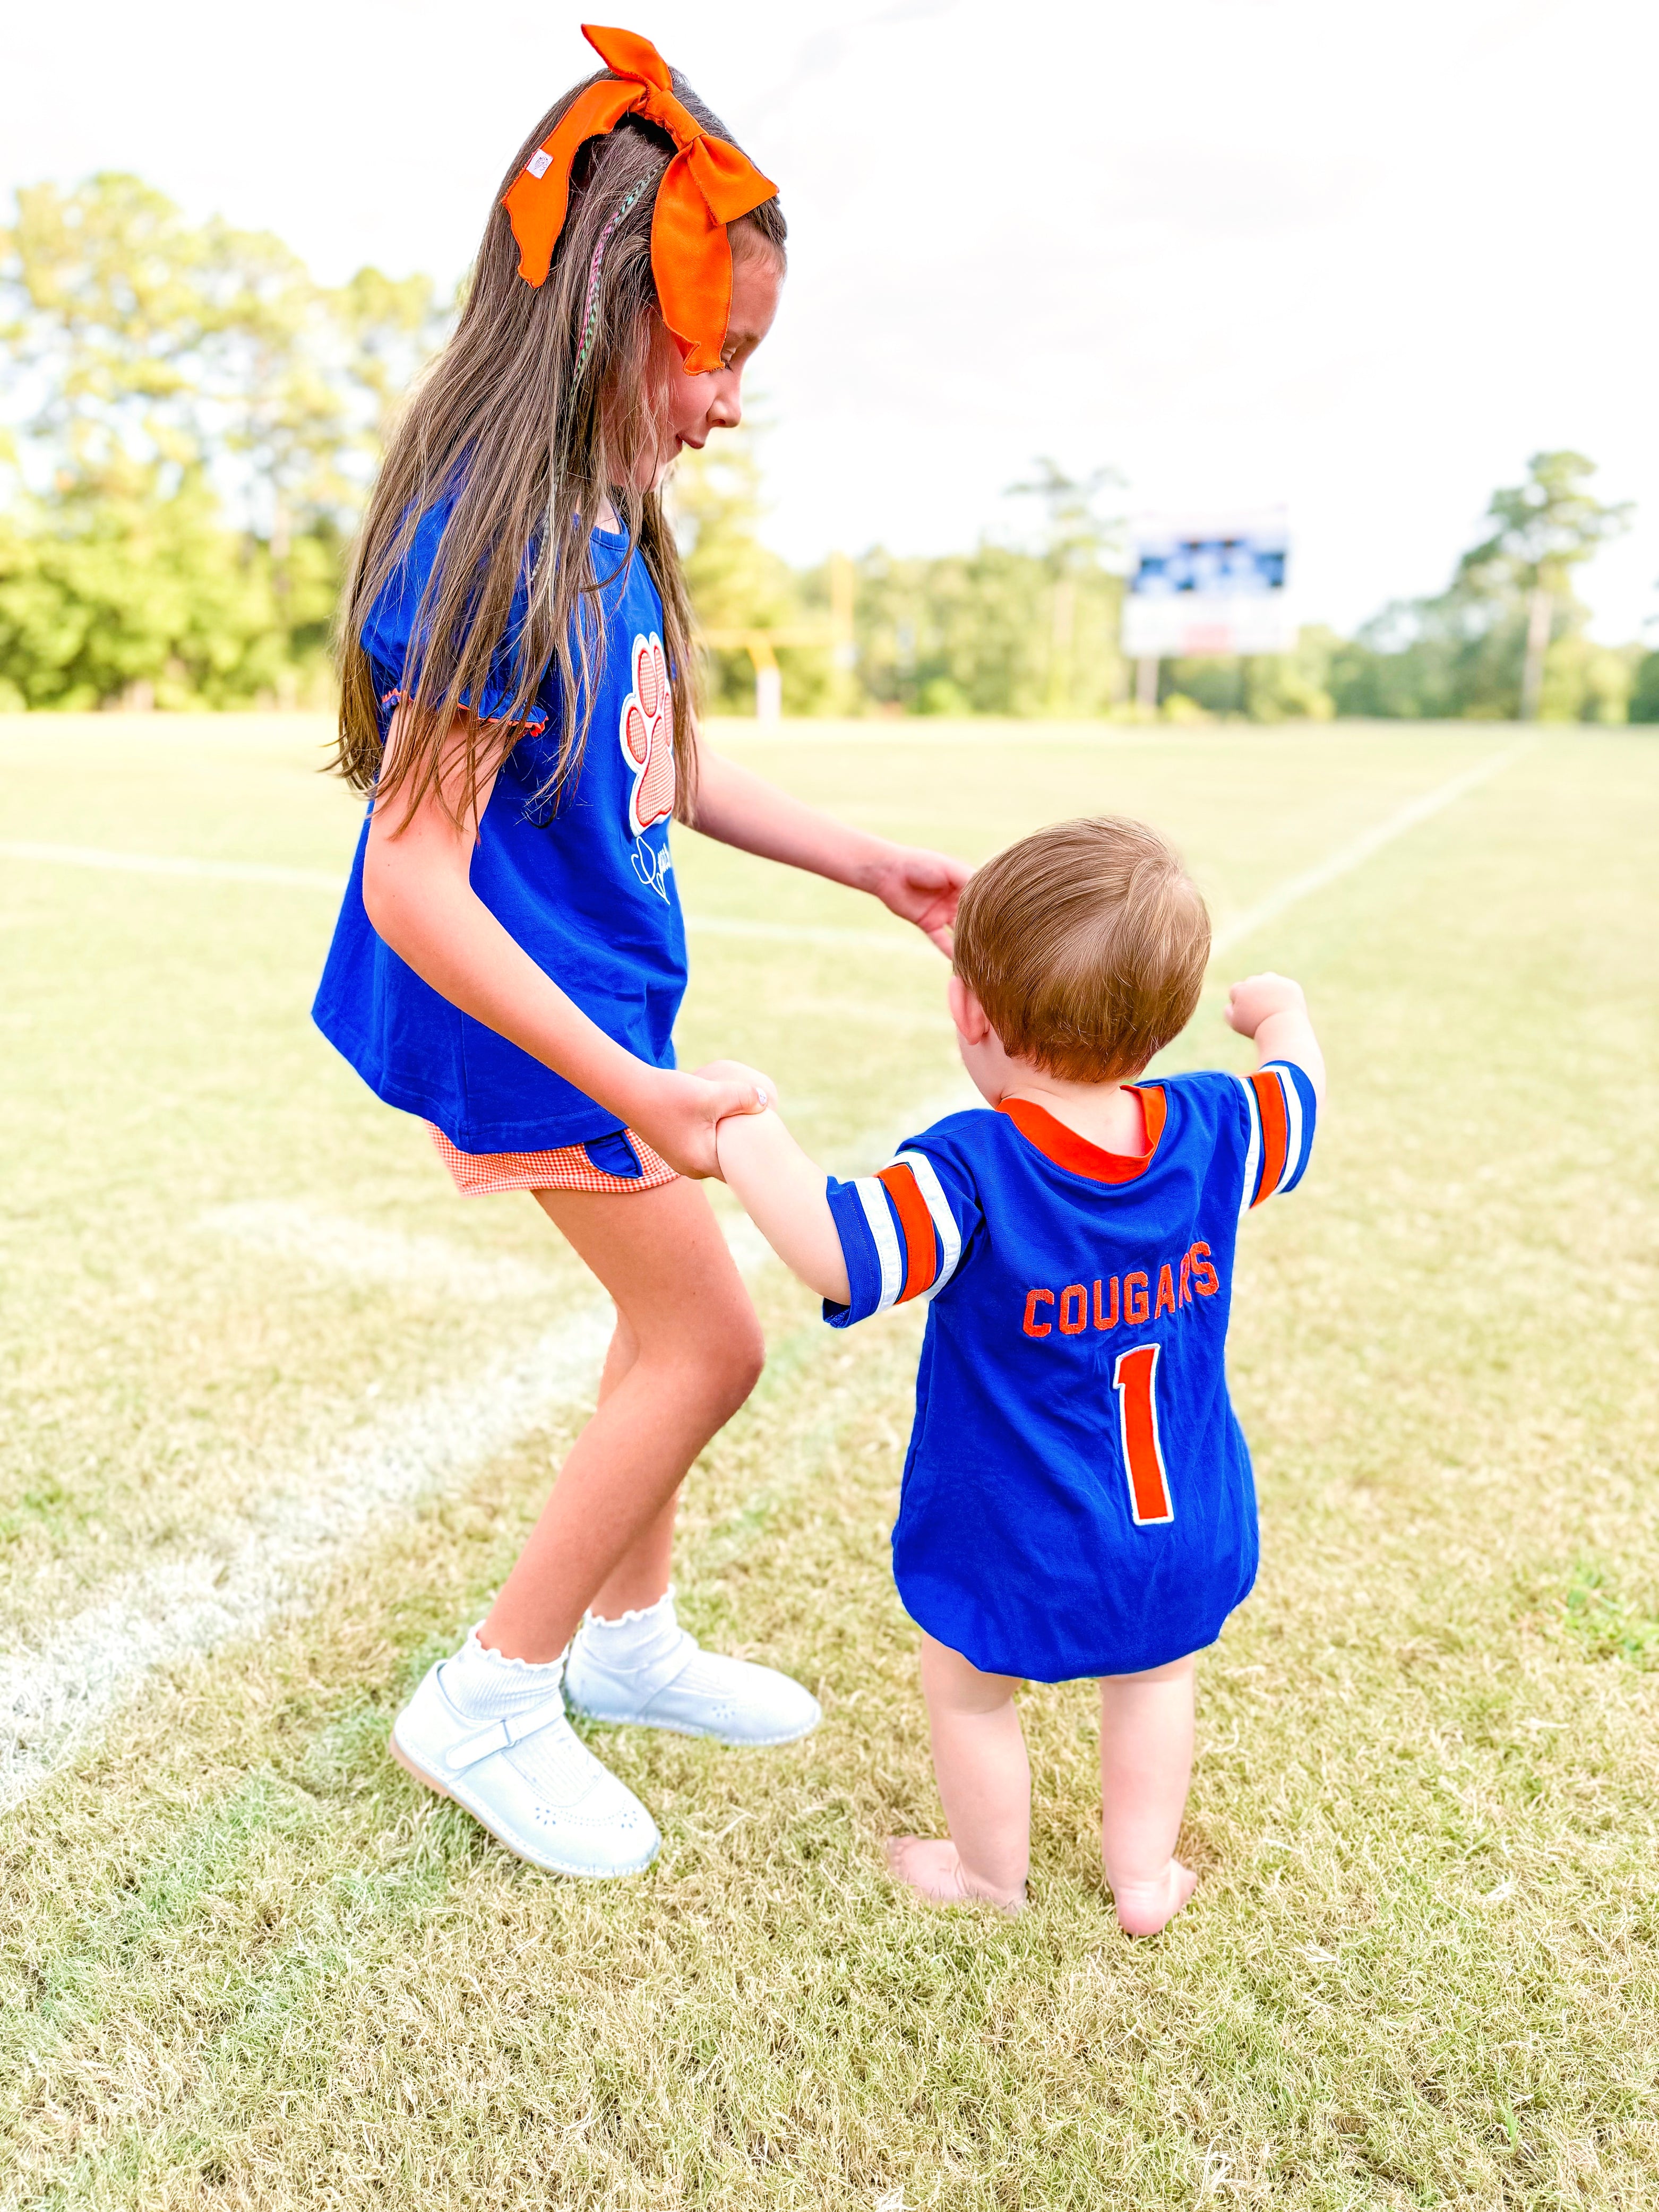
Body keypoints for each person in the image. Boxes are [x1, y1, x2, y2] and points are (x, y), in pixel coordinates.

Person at [312, 26, 969, 1880]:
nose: (729, 401)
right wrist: (635, 1089)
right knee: (710, 1332)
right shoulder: (492, 537)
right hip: (519, 1017)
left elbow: (657, 760)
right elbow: (412, 881)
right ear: (605, 311)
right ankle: (492, 1688)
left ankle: (625, 1640)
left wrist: (862, 863)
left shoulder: (606, 515)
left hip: (597, 1001)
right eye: (714, 352)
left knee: (658, 1319)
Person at [708, 817, 1324, 1932]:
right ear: (1168, 1017)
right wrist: (1279, 1013)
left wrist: (746, 1132)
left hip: (1018, 1533)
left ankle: (992, 1872)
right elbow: (1300, 1095)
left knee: (969, 1687)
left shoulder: (976, 1168)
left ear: (969, 1011)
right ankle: (1142, 1876)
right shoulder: (1220, 1129)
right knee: (1156, 1679)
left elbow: (845, 1245)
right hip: (1182, 1521)